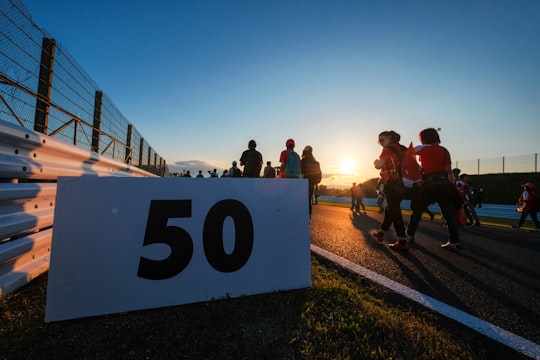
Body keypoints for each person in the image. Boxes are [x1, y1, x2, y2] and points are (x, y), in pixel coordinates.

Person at [406, 128, 462, 250]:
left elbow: (408, 154)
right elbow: (449, 170)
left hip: (430, 184)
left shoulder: (422, 148)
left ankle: (409, 235)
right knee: (448, 214)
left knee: (417, 210)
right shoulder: (445, 150)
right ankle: (454, 241)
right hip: (445, 184)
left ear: (423, 138)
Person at [371, 130, 409, 251]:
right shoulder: (403, 148)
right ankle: (381, 233)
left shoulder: (388, 149)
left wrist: (376, 162)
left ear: (390, 138)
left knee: (394, 210)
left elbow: (379, 165)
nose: (381, 143)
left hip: (392, 182)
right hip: (405, 182)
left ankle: (402, 240)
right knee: (391, 208)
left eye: (382, 139)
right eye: (379, 141)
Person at [300, 145, 322, 217]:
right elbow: (319, 177)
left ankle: (301, 218)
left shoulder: (303, 161)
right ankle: (308, 218)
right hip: (311, 184)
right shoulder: (316, 162)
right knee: (308, 201)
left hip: (303, 183)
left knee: (301, 201)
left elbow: (301, 173)